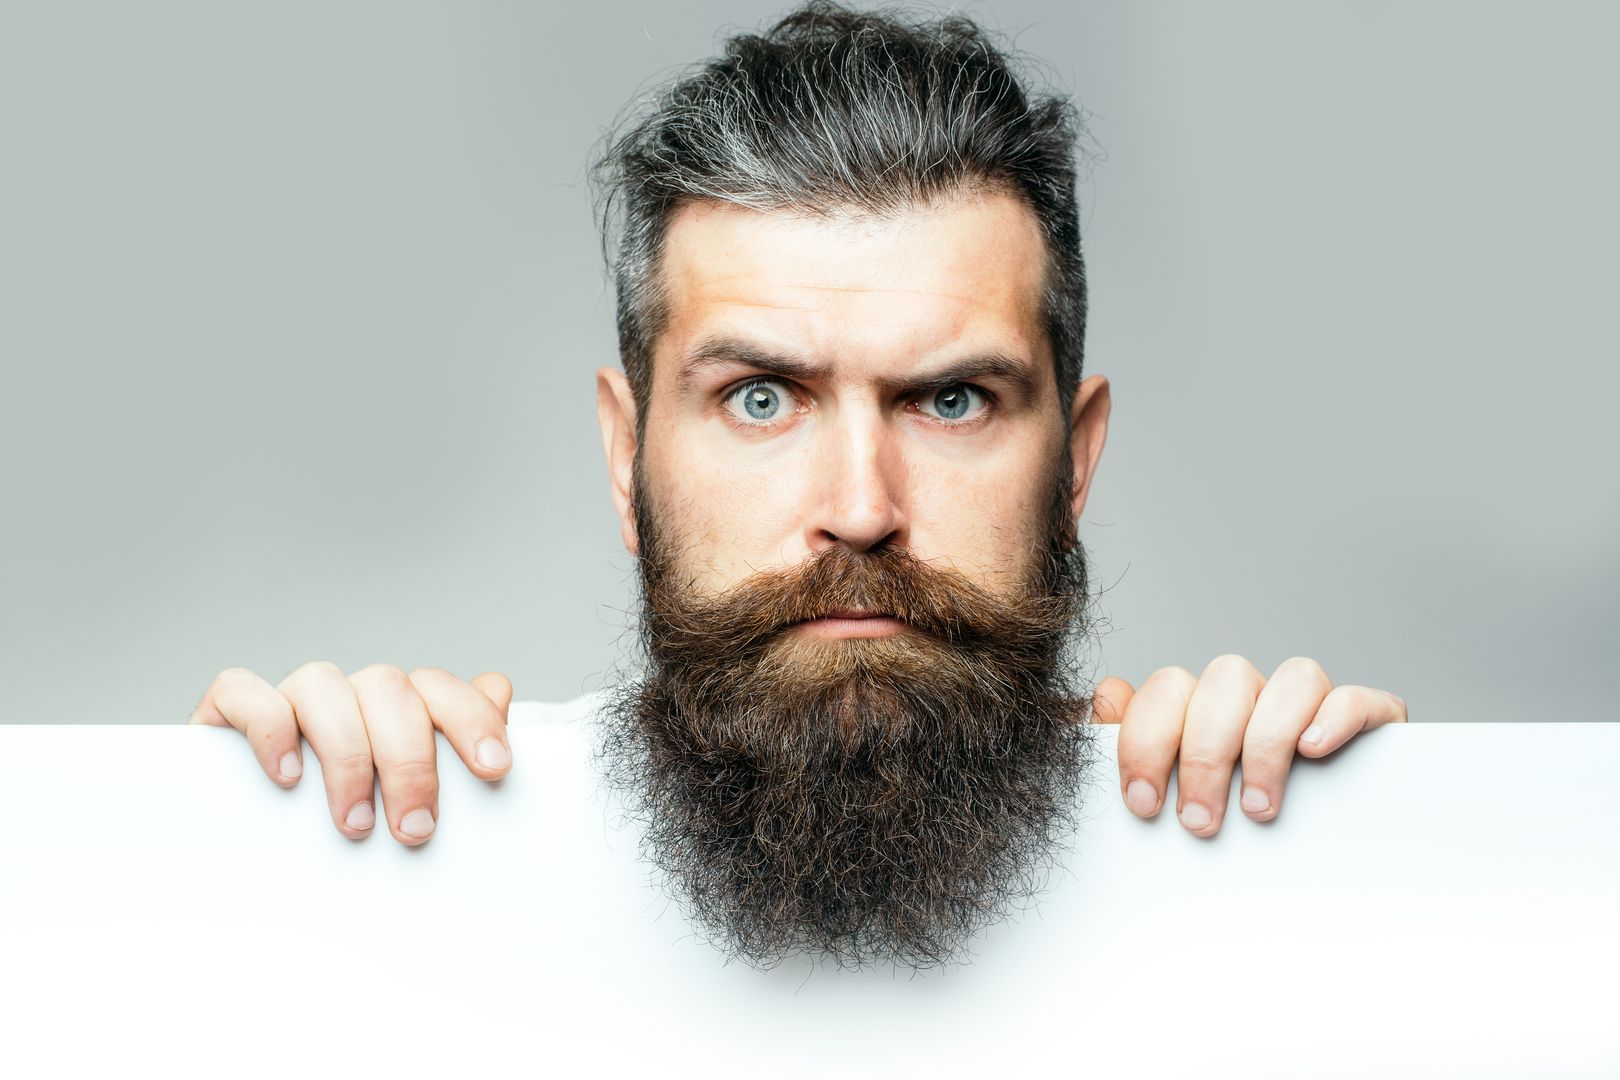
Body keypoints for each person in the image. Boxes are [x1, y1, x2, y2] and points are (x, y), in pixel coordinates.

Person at [188, 0, 1406, 970]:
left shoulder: (1247, 852)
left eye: (951, 399)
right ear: (628, 455)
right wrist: (231, 852)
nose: (863, 508)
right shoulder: (417, 856)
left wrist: (1376, 842)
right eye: (761, 398)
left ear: (1076, 459)